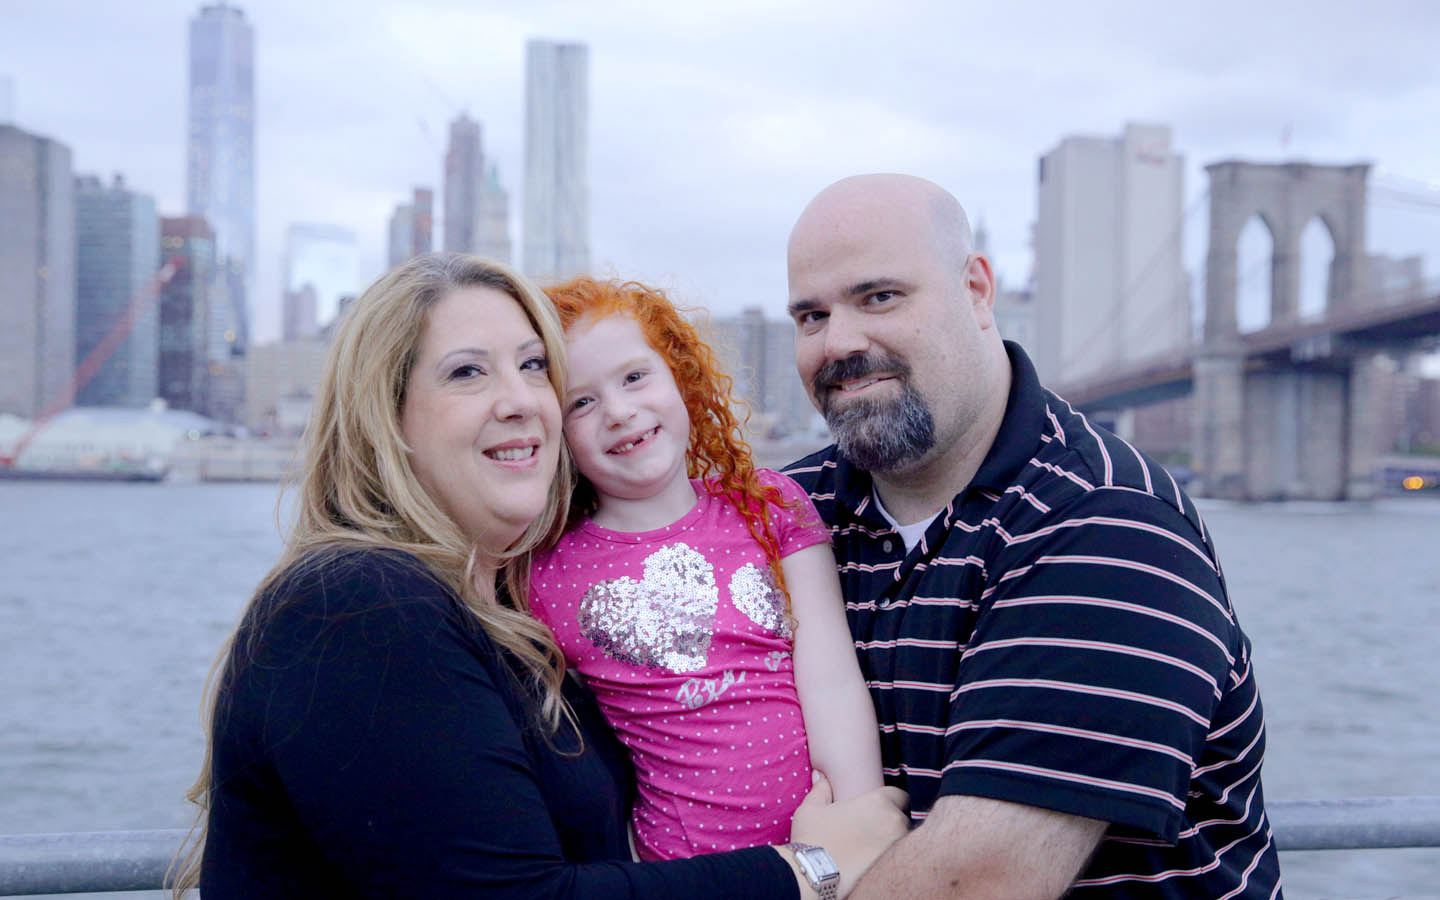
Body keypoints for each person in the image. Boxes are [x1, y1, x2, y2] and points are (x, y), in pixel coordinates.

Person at [172, 253, 908, 899]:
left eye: (532, 367)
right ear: (386, 418)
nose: (523, 399)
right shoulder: (359, 605)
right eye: (467, 372)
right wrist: (811, 871)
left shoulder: (488, 610)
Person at [781, 175, 1284, 899]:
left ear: (978, 290)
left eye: (879, 297)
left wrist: (809, 877)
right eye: (810, 316)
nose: (841, 342)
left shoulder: (1108, 527)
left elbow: (979, 882)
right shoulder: (786, 515)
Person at [528, 277, 884, 861]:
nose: (619, 412)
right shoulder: (547, 572)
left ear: (680, 377)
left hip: (825, 842)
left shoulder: (768, 504)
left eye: (635, 377)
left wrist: (859, 823)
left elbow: (832, 680)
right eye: (581, 402)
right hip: (677, 868)